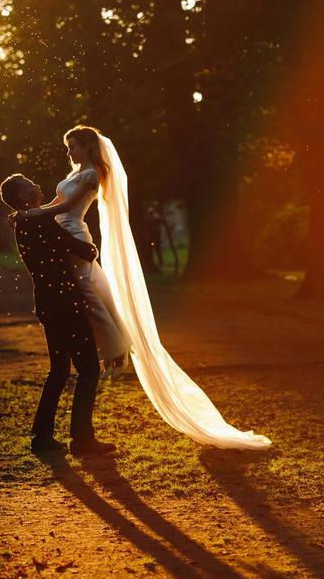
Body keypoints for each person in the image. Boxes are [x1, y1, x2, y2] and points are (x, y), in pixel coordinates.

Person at [14, 125, 271, 451]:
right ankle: (113, 347)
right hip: (64, 240)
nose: (69, 153)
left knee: (89, 295)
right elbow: (57, 202)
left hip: (74, 237)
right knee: (87, 297)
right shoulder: (68, 181)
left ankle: (115, 347)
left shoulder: (93, 174)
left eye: (72, 147)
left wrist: (35, 213)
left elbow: (66, 208)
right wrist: (36, 214)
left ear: (87, 147)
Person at [0, 173, 114, 457]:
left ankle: (42, 436)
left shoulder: (26, 222)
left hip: (49, 305)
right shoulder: (37, 221)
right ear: (24, 197)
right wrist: (89, 247)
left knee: (59, 370)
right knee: (88, 368)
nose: (37, 185)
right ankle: (82, 439)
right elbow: (81, 250)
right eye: (30, 185)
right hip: (65, 304)